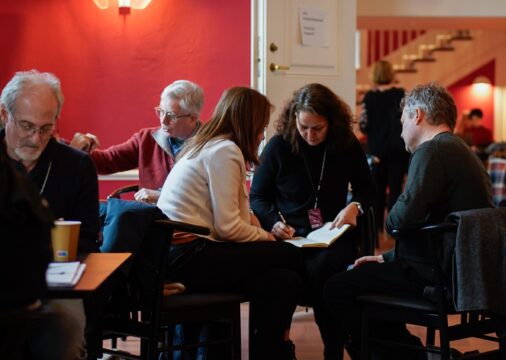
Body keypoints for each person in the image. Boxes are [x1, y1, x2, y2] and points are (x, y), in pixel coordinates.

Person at [324, 83, 493, 359]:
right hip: (462, 273)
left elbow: (398, 222)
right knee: (367, 280)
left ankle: (400, 355)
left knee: (336, 288)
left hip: (438, 278)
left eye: (402, 122)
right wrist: (387, 258)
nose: (401, 132)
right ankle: (408, 353)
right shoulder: (462, 151)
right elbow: (440, 229)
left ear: (417, 115)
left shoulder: (431, 151)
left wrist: (392, 217)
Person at [157, 86, 303, 359]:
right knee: (290, 255)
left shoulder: (208, 145)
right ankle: (278, 349)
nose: (262, 136)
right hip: (187, 254)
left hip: (176, 254)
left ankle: (273, 351)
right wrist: (268, 239)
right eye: (260, 127)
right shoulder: (225, 151)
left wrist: (260, 230)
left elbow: (236, 215)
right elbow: (228, 228)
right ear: (247, 124)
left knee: (284, 280)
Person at [250, 83, 375, 359]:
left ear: (331, 121)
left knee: (326, 267)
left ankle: (334, 347)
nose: (309, 135)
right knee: (276, 273)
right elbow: (257, 196)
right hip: (289, 235)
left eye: (317, 128)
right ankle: (274, 349)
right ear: (294, 119)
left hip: (331, 232)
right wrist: (272, 222)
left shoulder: (345, 144)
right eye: (303, 126)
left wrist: (354, 206)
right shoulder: (280, 146)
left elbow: (367, 189)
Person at [0, 69, 100, 359]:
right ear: (5, 115)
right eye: (27, 126)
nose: (35, 139)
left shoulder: (77, 166)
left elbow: (88, 240)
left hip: (55, 288)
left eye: (46, 128)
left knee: (65, 332)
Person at [70, 80, 204, 204]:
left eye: (171, 116)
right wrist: (75, 149)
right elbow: (107, 161)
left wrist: (161, 195)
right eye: (161, 111)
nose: (163, 121)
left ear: (192, 118)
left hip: (190, 224)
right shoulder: (146, 139)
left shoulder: (210, 146)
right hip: (151, 223)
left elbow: (206, 198)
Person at [359, 60, 409, 229]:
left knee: (377, 190)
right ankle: (393, 227)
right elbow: (406, 119)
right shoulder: (401, 94)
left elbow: (363, 125)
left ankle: (377, 228)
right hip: (398, 148)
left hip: (376, 150)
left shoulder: (369, 97)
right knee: (395, 189)